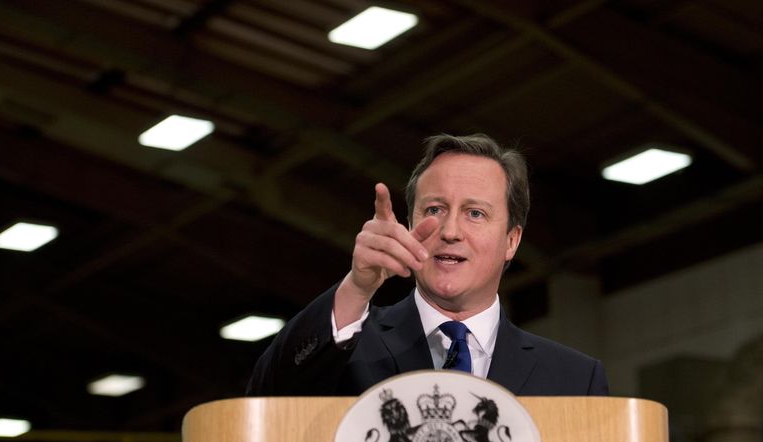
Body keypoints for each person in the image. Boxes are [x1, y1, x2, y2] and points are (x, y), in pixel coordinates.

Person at [246, 133, 609, 396]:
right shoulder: (348, 347)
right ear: (408, 227)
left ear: (512, 241)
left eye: (475, 213)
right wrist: (357, 288)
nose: (450, 231)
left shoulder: (574, 379)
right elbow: (266, 398)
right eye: (434, 210)